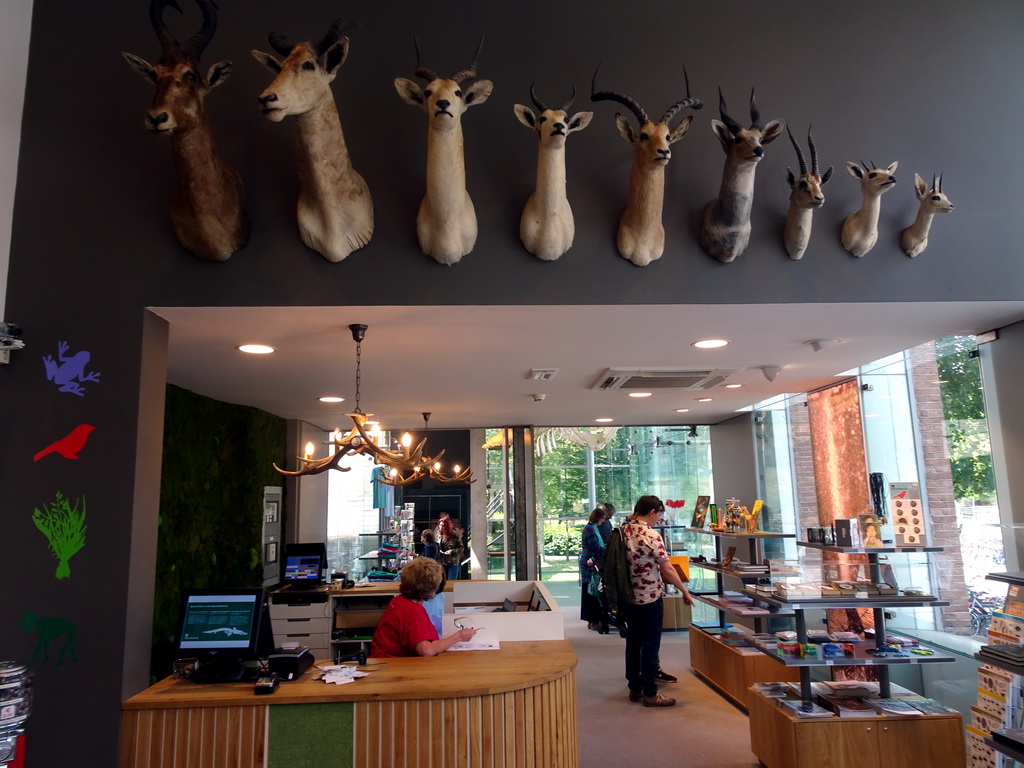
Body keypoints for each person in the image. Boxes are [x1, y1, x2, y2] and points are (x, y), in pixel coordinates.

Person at [621, 495, 694, 707]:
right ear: (652, 512)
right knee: (650, 646)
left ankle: (634, 689)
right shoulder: (651, 535)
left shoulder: (622, 531)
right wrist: (684, 591)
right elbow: (667, 569)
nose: (659, 519)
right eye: (660, 514)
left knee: (633, 644)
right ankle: (651, 694)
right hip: (650, 598)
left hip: (628, 597)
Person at [370, 557, 475, 657]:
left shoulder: (398, 601)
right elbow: (426, 650)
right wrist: (459, 636)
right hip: (395, 666)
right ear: (431, 588)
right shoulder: (413, 611)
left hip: (386, 661)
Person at [580, 506, 608, 630]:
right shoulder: (590, 529)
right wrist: (609, 550)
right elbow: (596, 547)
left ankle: (595, 619)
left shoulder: (593, 528)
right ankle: (592, 619)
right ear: (598, 518)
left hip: (593, 561)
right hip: (590, 562)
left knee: (594, 589)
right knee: (590, 590)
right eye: (602, 518)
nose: (603, 521)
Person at [437, 514, 465, 580]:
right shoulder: (439, 536)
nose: (441, 527)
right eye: (440, 525)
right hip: (441, 563)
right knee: (442, 583)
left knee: (451, 583)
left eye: (443, 526)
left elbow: (461, 548)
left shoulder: (454, 535)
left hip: (453, 563)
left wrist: (451, 551)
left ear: (447, 526)